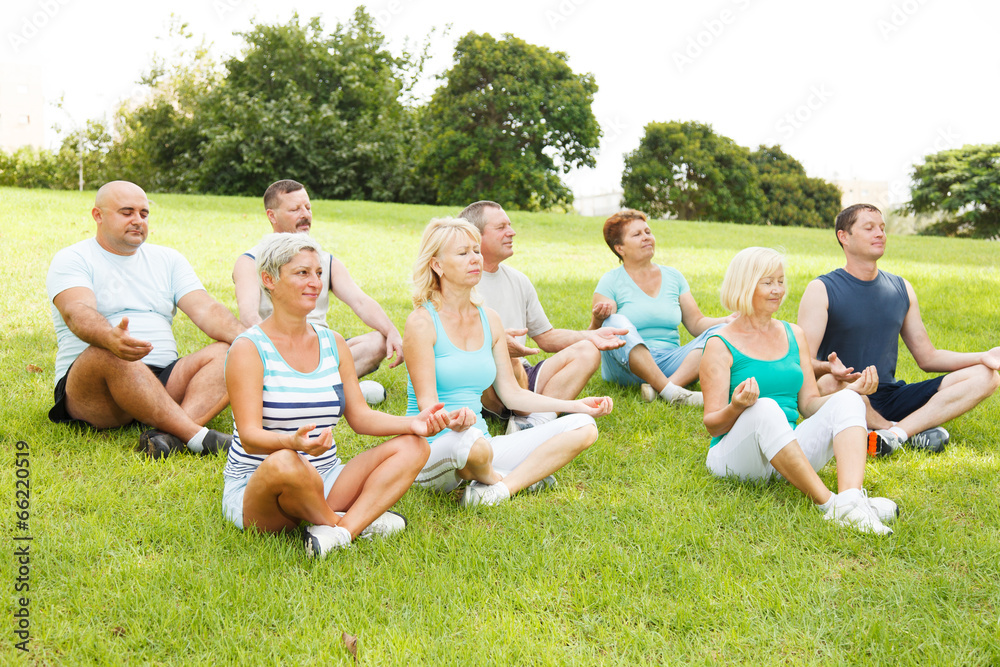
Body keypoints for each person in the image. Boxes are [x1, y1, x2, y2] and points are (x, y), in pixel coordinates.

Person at [223, 233, 446, 557]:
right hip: (259, 488)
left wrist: (413, 424)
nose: (314, 282)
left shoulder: (333, 342)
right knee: (285, 462)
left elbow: (359, 416)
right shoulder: (248, 349)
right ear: (268, 280)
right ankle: (343, 522)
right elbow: (251, 436)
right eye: (302, 273)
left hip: (325, 476)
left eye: (317, 273)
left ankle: (340, 532)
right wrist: (293, 444)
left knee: (414, 447)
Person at [403, 218, 614, 506]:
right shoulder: (422, 322)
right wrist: (452, 421)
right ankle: (512, 476)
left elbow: (512, 393)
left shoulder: (490, 319)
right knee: (472, 446)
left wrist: (574, 406)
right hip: (435, 447)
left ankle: (498, 491)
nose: (475, 259)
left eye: (476, 251)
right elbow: (427, 406)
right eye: (463, 253)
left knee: (584, 426)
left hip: (482, 444)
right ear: (437, 265)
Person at [701, 247, 898, 535]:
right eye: (767, 282)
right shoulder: (719, 343)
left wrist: (851, 391)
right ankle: (831, 506)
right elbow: (711, 424)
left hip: (785, 452)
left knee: (848, 398)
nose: (777, 290)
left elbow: (808, 404)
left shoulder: (795, 334)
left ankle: (852, 499)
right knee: (764, 407)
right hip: (734, 457)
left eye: (780, 281)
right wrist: (737, 406)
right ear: (744, 285)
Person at [46, 180, 241, 458]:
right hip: (97, 390)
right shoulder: (73, 258)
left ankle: (166, 437)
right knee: (108, 351)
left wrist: (254, 339)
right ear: (98, 216)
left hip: (163, 380)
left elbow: (207, 310)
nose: (138, 220)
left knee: (232, 350)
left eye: (144, 213)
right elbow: (76, 312)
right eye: (127, 212)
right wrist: (109, 337)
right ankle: (196, 436)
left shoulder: (169, 259)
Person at [797, 204, 1000, 455]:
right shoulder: (821, 289)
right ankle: (905, 432)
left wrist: (982, 357)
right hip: (848, 393)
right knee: (827, 384)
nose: (880, 234)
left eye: (882, 228)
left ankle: (895, 433)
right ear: (844, 237)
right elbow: (802, 360)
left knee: (987, 375)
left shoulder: (901, 287)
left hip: (892, 396)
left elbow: (928, 357)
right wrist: (830, 368)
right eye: (869, 228)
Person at [457, 200, 628, 433]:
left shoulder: (518, 280)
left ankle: (532, 422)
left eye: (510, 225)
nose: (512, 232)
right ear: (476, 236)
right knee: (507, 358)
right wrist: (494, 344)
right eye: (501, 228)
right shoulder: (459, 282)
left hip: (521, 374)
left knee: (587, 350)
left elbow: (546, 337)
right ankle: (530, 418)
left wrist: (591, 335)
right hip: (482, 379)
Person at [232, 180, 403, 400]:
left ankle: (316, 389)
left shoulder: (326, 260)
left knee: (378, 342)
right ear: (272, 216)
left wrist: (392, 331)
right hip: (277, 350)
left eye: (308, 207)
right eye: (295, 209)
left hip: (321, 349)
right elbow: (248, 315)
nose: (305, 214)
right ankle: (331, 389)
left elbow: (360, 301)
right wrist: (277, 352)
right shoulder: (251, 261)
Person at [591, 209, 732, 406]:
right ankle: (671, 392)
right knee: (614, 322)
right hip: (627, 368)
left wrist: (727, 322)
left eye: (648, 232)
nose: (646, 237)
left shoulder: (674, 276)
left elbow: (697, 323)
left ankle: (663, 389)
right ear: (620, 248)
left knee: (722, 333)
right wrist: (599, 319)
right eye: (637, 234)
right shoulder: (610, 281)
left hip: (672, 364)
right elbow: (594, 337)